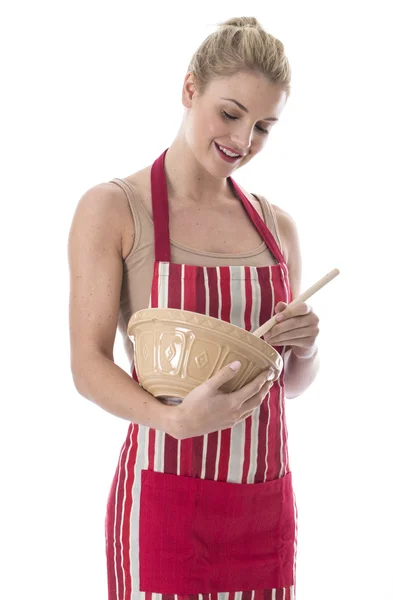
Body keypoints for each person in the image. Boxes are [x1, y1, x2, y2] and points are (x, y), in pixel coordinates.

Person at [68, 15, 321, 600]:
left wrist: (307, 346)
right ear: (189, 90)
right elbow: (87, 366)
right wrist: (175, 420)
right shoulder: (115, 209)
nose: (242, 140)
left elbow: (290, 385)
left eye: (263, 127)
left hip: (262, 501)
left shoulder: (277, 227)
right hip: (164, 502)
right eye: (230, 113)